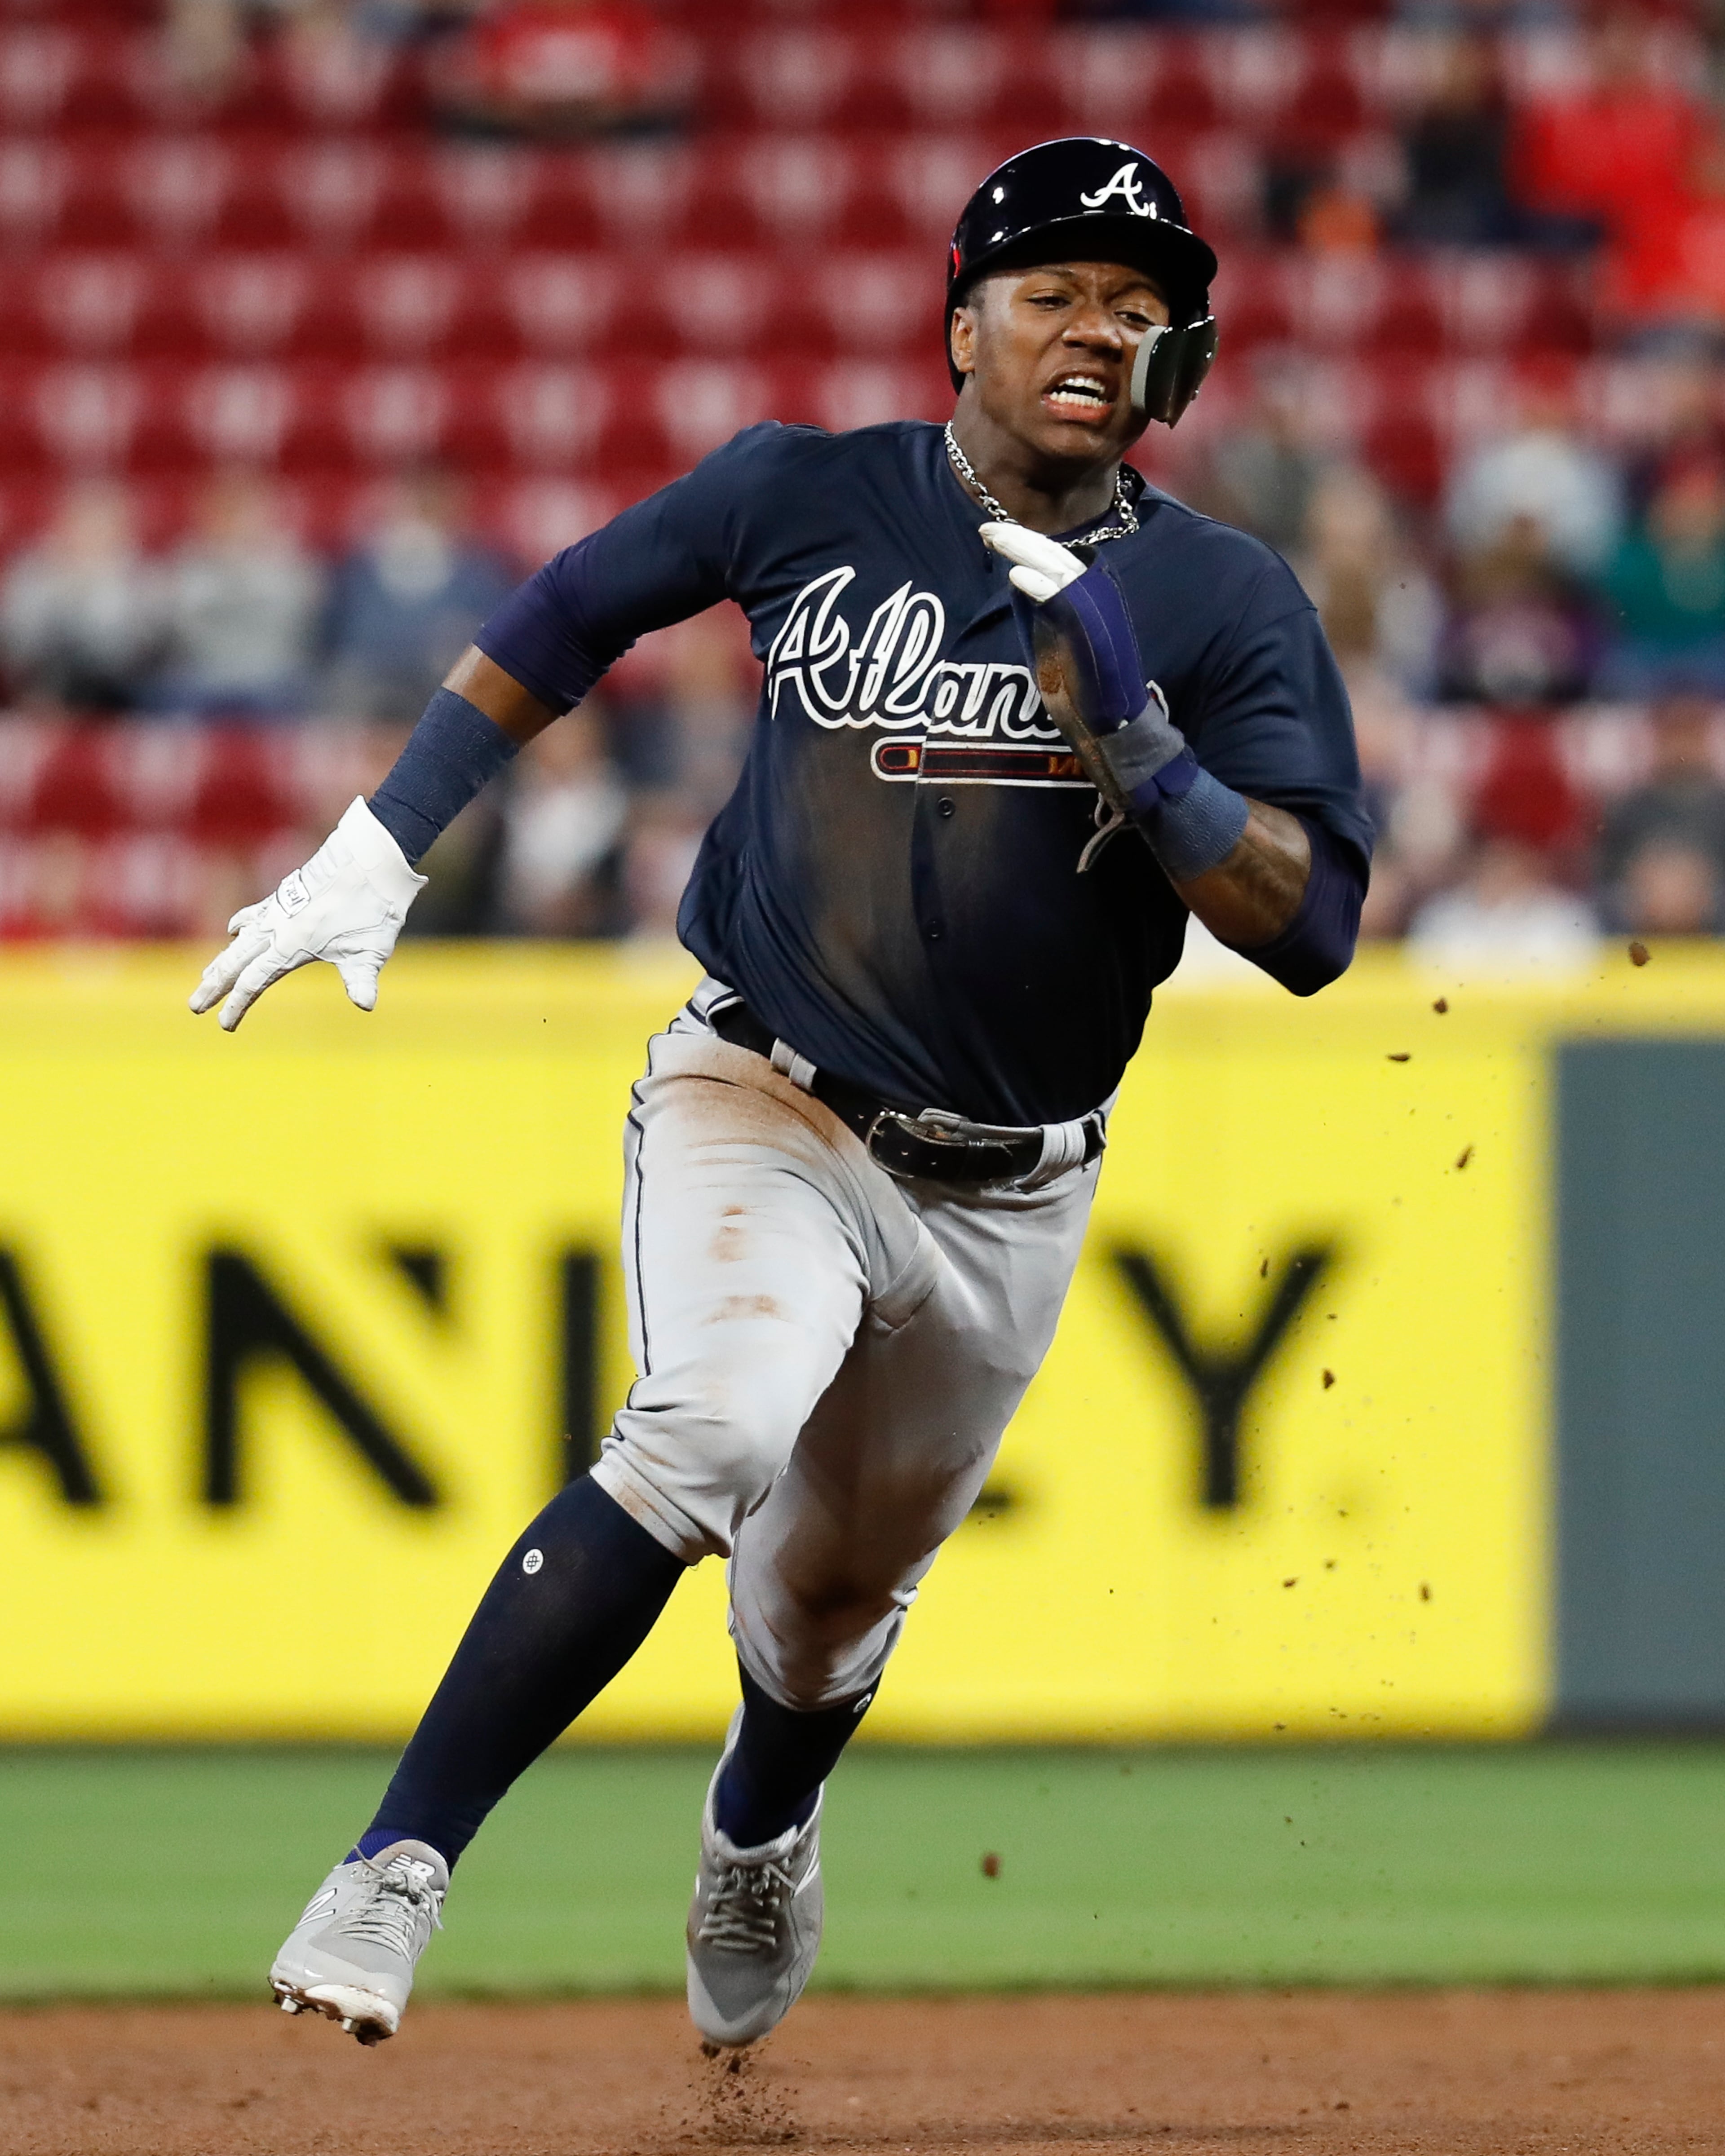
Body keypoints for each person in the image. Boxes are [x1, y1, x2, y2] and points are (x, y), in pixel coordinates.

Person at [189, 137, 1369, 2052]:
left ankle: (760, 1822)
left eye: (1139, 308)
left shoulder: (1222, 598)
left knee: (825, 1612)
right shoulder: (810, 490)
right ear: (961, 327)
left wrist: (1143, 753)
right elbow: (570, 607)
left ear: (1180, 364)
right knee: (708, 1426)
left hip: (1012, 1188)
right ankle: (394, 1861)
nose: (1096, 327)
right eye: (1054, 290)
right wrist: (382, 844)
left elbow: (1311, 924)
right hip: (772, 1094)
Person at [146, 471, 324, 720]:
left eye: (245, 513)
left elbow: (301, 626)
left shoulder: (293, 566)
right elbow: (174, 627)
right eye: (226, 513)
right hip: (201, 679)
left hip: (273, 678)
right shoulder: (184, 566)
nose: (236, 523)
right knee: (166, 696)